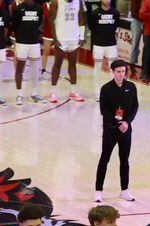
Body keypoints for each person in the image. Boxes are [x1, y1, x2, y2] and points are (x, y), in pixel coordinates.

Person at [95, 59, 139, 204]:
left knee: (124, 160)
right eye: (118, 72)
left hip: (125, 129)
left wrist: (127, 122)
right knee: (104, 159)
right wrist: (117, 123)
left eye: (123, 71)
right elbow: (104, 110)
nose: (121, 74)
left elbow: (134, 107)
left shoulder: (131, 87)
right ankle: (98, 190)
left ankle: (124, 190)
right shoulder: (106, 88)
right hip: (110, 129)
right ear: (112, 72)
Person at [48, 0, 85, 103]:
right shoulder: (56, 2)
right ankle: (53, 92)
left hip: (74, 38)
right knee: (57, 64)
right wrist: (54, 39)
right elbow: (51, 20)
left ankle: (73, 92)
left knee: (73, 65)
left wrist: (81, 37)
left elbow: (81, 19)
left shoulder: (79, 2)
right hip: (61, 38)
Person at [11, 0, 46, 105]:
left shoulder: (39, 8)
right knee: (19, 70)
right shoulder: (18, 9)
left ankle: (34, 93)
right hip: (22, 43)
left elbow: (40, 23)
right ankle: (19, 94)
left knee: (35, 70)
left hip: (34, 43)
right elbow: (15, 26)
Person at [87, 0, 119, 101]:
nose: (107, 1)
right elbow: (92, 27)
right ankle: (97, 93)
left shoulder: (115, 12)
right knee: (97, 68)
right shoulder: (95, 12)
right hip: (98, 44)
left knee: (113, 68)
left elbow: (115, 26)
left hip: (111, 44)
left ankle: (113, 92)